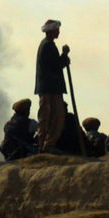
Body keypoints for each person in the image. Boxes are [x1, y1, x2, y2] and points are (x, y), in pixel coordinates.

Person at [35, 19, 70, 153]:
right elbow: (56, 65)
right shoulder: (48, 46)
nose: (59, 32)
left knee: (51, 115)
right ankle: (46, 144)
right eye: (57, 30)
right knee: (53, 116)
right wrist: (65, 55)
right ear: (51, 31)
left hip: (49, 87)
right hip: (50, 87)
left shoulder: (47, 45)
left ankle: (45, 143)